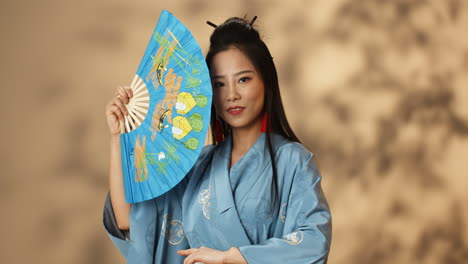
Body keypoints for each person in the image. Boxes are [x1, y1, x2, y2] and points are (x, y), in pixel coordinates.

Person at [104, 15, 332, 264]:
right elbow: (132, 220)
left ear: (266, 82)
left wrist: (232, 258)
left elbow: (313, 242)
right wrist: (119, 137)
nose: (232, 95)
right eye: (219, 84)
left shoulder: (294, 161)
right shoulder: (197, 165)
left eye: (243, 80)